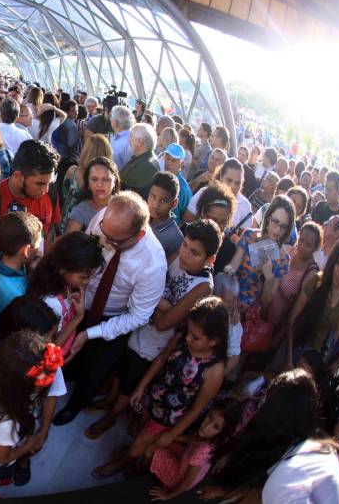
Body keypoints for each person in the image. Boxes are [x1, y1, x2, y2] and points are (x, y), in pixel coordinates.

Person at [84, 219, 221, 439]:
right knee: (121, 368)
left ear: (210, 259)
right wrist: (162, 304)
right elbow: (152, 278)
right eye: (184, 245)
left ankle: (111, 417)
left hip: (155, 343)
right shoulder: (178, 255)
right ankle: (109, 401)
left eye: (194, 252)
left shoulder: (204, 285)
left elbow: (164, 323)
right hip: (137, 323)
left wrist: (150, 300)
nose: (185, 254)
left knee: (131, 381)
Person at [54, 192, 168, 426]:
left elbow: (138, 316)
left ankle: (74, 407)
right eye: (103, 232)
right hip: (80, 303)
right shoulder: (105, 218)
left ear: (140, 234)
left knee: (95, 370)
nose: (104, 242)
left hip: (115, 319)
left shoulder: (154, 264)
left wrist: (89, 333)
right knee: (67, 356)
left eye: (114, 240)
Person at [92, 297, 227, 479]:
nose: (188, 337)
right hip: (154, 396)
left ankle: (124, 462)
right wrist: (141, 388)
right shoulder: (181, 338)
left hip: (170, 416)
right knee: (140, 426)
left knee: (144, 439)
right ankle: (133, 453)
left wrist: (172, 434)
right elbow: (161, 359)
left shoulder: (214, 370)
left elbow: (196, 409)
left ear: (213, 341)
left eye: (195, 337)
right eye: (188, 331)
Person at [208, 369, 339, 503]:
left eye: (269, 400)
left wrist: (222, 492)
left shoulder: (295, 455)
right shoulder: (300, 431)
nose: (264, 401)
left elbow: (261, 495)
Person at [0, 332, 62, 499]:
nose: (49, 382)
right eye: (44, 381)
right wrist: (28, 445)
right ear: (22, 387)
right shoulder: (7, 423)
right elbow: (0, 459)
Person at [26, 232, 104, 359]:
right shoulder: (51, 303)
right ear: (62, 268)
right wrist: (79, 317)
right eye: (83, 277)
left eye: (91, 276)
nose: (87, 281)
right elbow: (51, 346)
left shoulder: (65, 284)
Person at [148, 399, 242, 501]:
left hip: (178, 478)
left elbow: (186, 482)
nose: (207, 426)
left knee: (151, 448)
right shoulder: (211, 438)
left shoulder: (202, 450)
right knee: (164, 441)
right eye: (210, 417)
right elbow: (191, 439)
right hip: (186, 459)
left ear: (222, 432)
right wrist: (171, 436)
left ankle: (145, 472)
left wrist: (167, 496)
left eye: (216, 427)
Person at [287, 236, 339, 372]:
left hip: (319, 358)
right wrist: (288, 358)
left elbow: (337, 333)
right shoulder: (316, 281)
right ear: (332, 262)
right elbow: (292, 319)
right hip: (297, 347)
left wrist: (336, 361)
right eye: (338, 264)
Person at [0, 139, 60, 245]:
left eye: (49, 183)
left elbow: (51, 230)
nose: (46, 190)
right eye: (40, 184)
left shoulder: (51, 193)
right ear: (18, 176)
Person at [224, 195, 295, 309]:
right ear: (267, 218)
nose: (277, 230)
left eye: (283, 226)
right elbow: (232, 267)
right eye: (275, 222)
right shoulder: (249, 235)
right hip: (228, 299)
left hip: (249, 315)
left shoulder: (283, 259)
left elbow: (266, 301)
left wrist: (269, 278)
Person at [262, 222, 321, 354]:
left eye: (308, 244)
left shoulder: (311, 274)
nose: (302, 246)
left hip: (276, 327)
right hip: (262, 313)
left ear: (316, 248)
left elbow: (296, 311)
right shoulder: (289, 251)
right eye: (301, 240)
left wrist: (279, 337)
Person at [0, 211, 43, 328]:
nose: (39, 251)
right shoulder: (16, 295)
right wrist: (35, 275)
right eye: (38, 246)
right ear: (26, 251)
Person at [185, 158, 253, 231]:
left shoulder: (245, 206)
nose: (233, 186)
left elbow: (243, 238)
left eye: (237, 183)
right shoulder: (203, 193)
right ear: (221, 177)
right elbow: (187, 222)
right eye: (229, 180)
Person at [64, 156, 120, 234]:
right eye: (94, 179)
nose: (100, 184)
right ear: (88, 184)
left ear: (114, 182)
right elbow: (68, 243)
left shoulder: (124, 206)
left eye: (106, 179)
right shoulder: (80, 211)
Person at [147, 171, 184, 262]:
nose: (155, 205)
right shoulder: (140, 217)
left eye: (163, 201)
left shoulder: (175, 238)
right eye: (153, 196)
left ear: (174, 203)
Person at [120, 123, 159, 198]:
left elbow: (135, 198)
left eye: (131, 136)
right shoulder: (142, 158)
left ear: (140, 141)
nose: (128, 140)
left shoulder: (147, 167)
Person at [161, 143, 192, 224]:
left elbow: (187, 217)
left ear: (181, 164)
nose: (169, 163)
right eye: (167, 158)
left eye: (174, 160)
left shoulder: (184, 188)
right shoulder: (160, 177)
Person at [107, 105, 135, 170]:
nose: (110, 120)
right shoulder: (130, 137)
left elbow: (128, 168)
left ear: (115, 122)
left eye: (111, 118)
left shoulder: (126, 142)